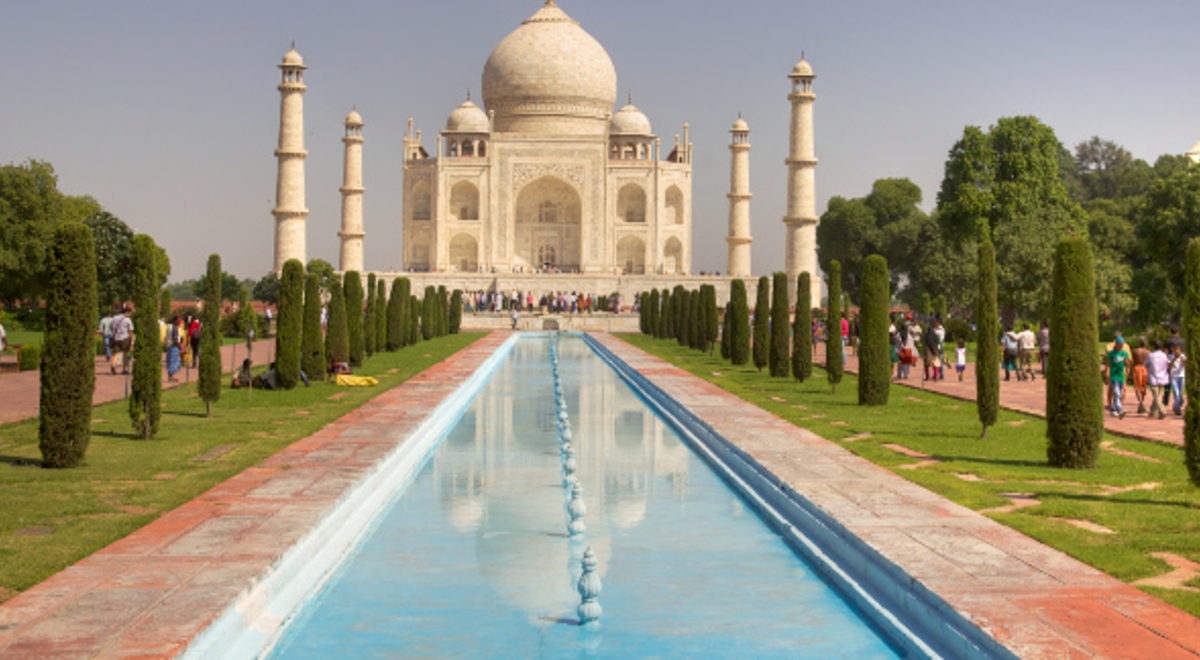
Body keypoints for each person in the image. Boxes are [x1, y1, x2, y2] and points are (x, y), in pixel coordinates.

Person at [1106, 337, 1131, 419]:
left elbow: (1128, 365)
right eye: (1119, 345)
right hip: (1114, 375)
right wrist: (1107, 373)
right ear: (1116, 345)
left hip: (1121, 375)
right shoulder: (1111, 354)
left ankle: (1113, 410)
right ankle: (1120, 409)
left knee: (1119, 393)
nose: (1120, 347)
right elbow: (1108, 364)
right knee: (1116, 392)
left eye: (1122, 345)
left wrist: (1125, 361)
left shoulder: (1124, 354)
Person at [1145, 340, 1170, 420]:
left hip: (1153, 377)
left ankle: (1162, 411)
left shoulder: (1151, 355)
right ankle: (1152, 410)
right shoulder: (1164, 355)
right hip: (1162, 377)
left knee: (1156, 395)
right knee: (1157, 394)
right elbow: (1167, 365)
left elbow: (1146, 365)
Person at [110, 305, 134, 375]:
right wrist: (131, 340)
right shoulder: (127, 320)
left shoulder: (114, 318)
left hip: (116, 338)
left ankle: (113, 365)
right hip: (124, 337)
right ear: (126, 312)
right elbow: (131, 330)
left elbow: (111, 327)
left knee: (116, 353)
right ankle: (124, 369)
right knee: (125, 353)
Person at [1130, 338, 1150, 414]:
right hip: (1145, 368)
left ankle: (1141, 403)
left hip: (1137, 368)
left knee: (1137, 387)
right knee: (1143, 386)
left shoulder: (1135, 351)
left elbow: (1132, 360)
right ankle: (1142, 400)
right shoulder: (1148, 352)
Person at [1169, 343, 1186, 416]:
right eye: (1175, 349)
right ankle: (1178, 408)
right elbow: (1169, 366)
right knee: (1176, 392)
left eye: (1177, 349)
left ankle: (1177, 406)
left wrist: (1181, 358)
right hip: (1174, 376)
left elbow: (1186, 365)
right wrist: (1174, 358)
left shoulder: (1183, 356)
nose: (1176, 350)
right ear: (1172, 349)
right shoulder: (1170, 356)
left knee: (1181, 393)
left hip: (1181, 376)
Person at [165, 314, 183, 382]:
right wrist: (180, 346)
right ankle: (170, 376)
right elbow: (175, 339)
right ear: (174, 320)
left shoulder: (169, 326)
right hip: (173, 347)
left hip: (169, 346)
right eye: (178, 320)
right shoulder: (174, 328)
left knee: (170, 362)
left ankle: (170, 377)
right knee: (175, 363)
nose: (179, 322)